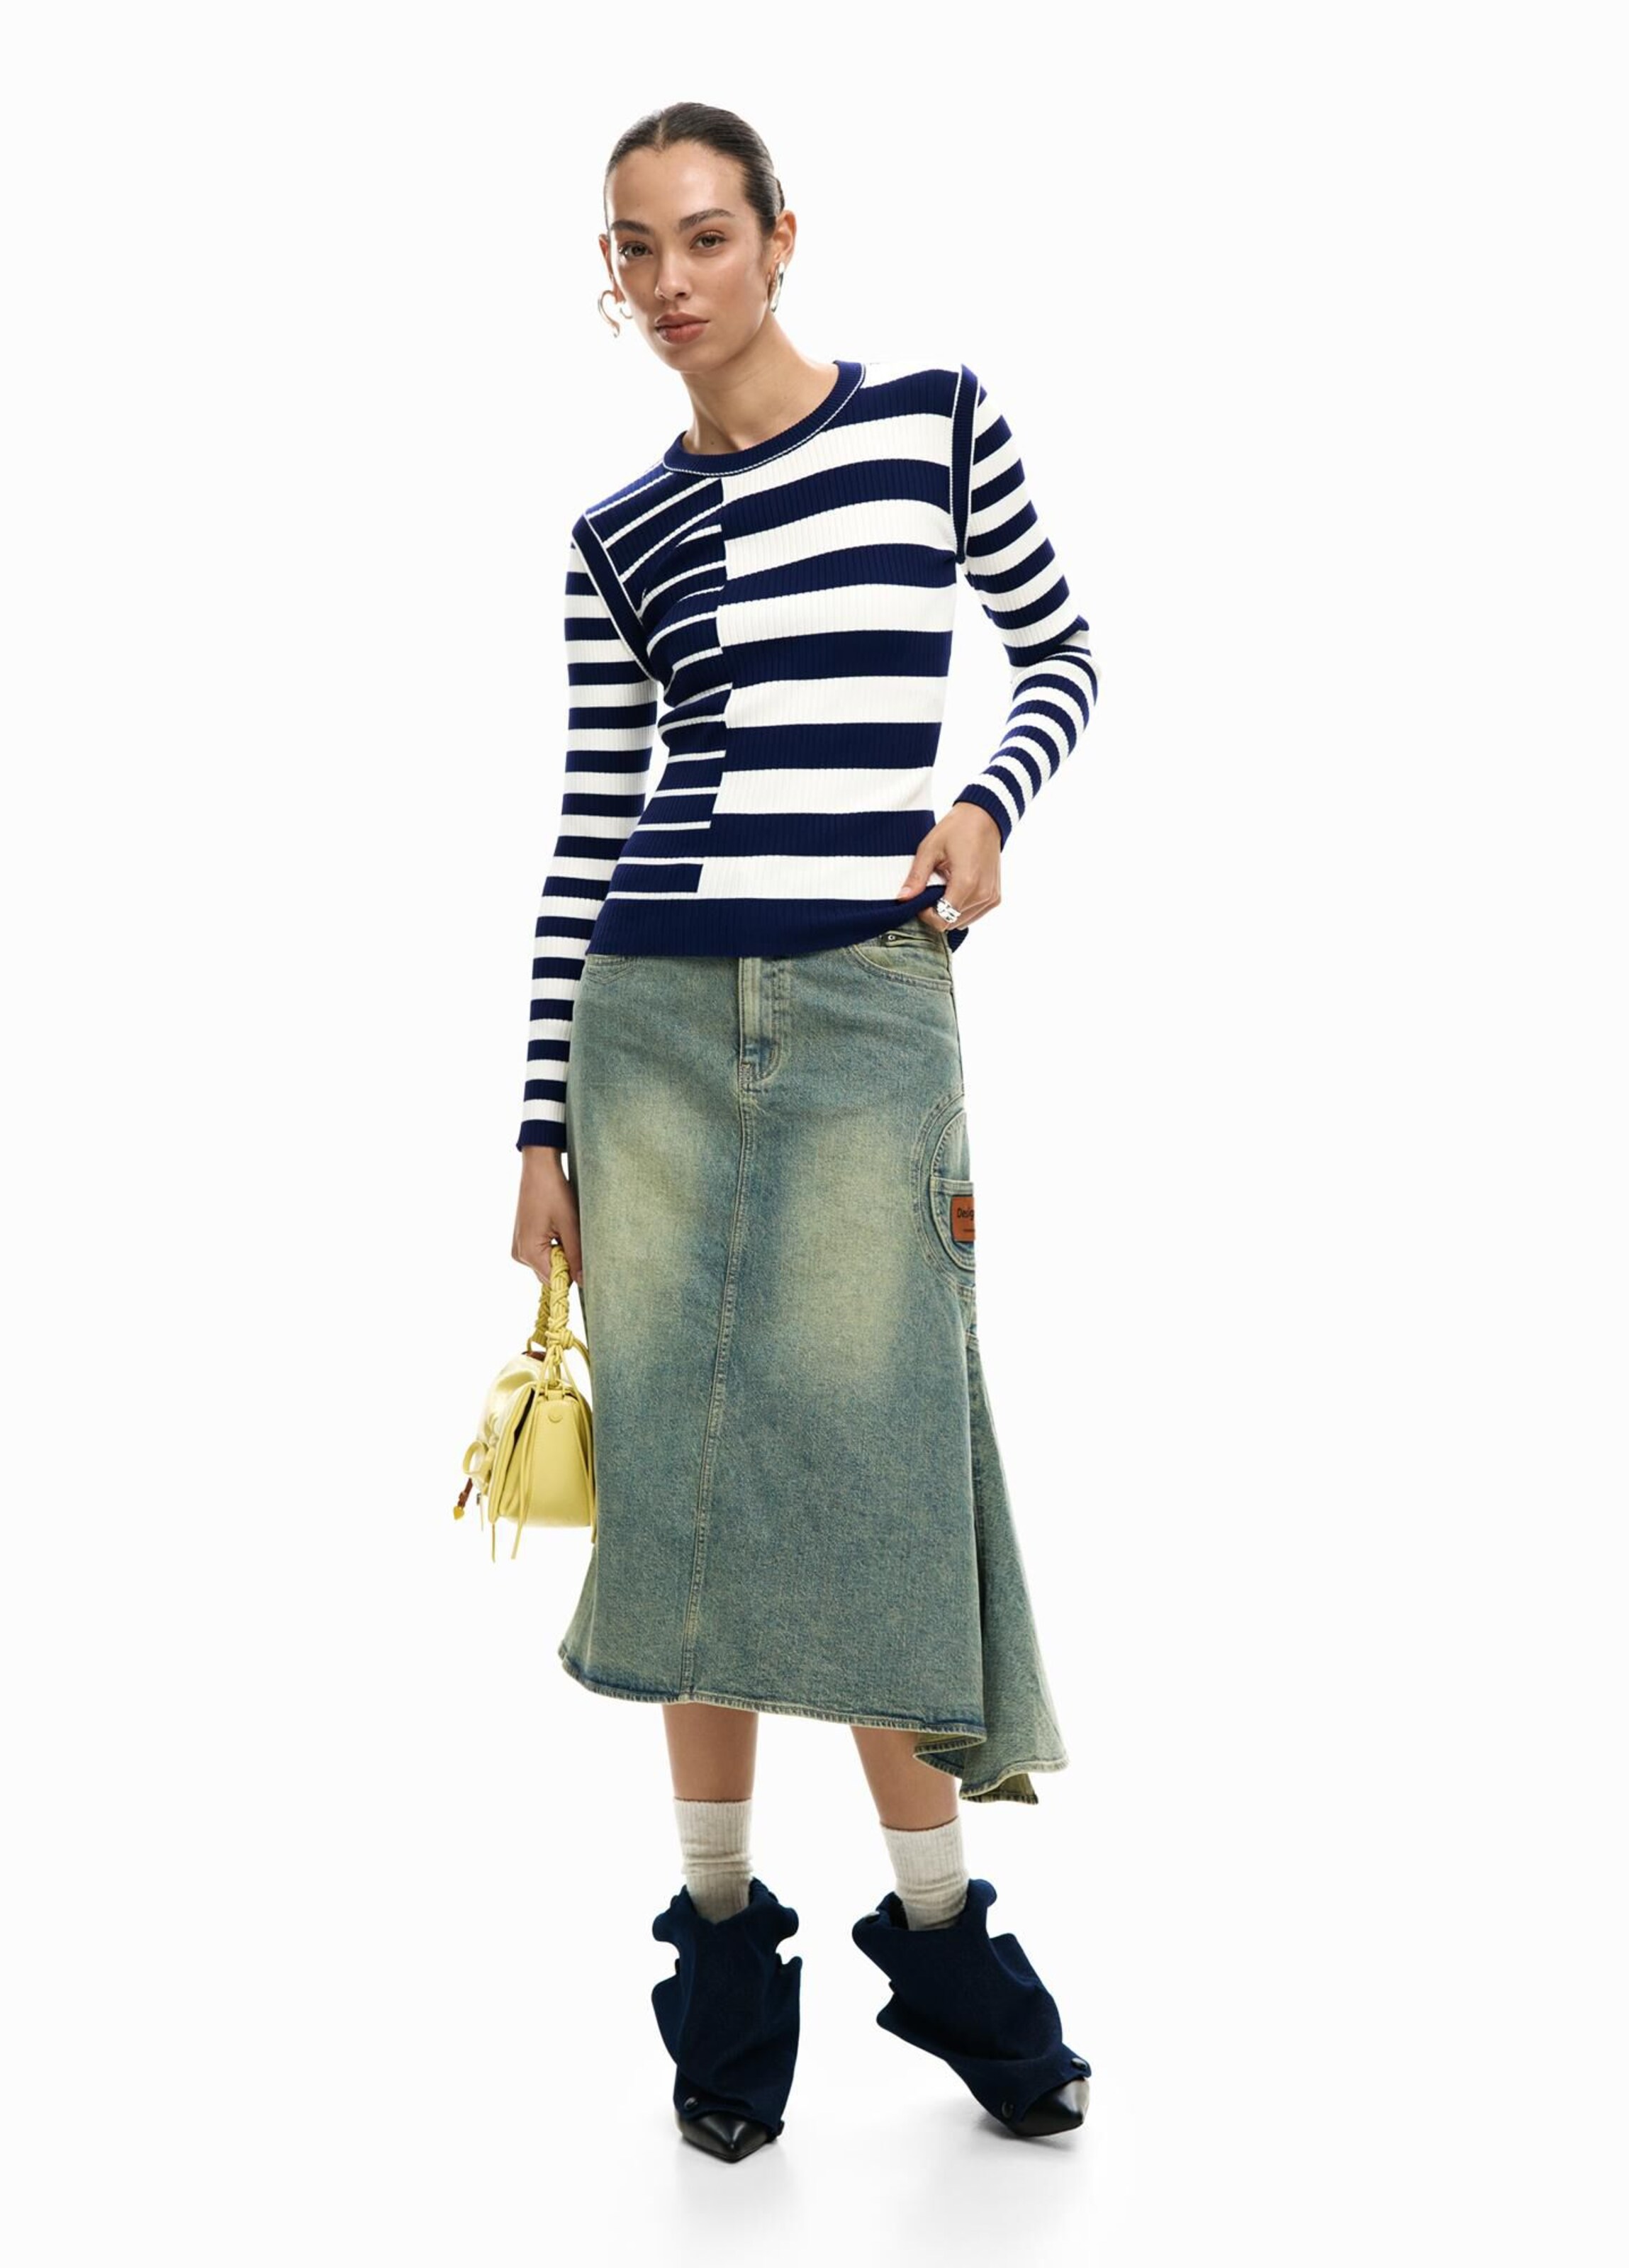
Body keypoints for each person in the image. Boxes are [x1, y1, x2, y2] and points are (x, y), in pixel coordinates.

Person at [509, 102, 1099, 2160]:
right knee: (687, 1490)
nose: (669, 281)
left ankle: (941, 1939)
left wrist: (990, 806)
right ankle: (720, 1940)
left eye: (703, 236)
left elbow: (1063, 648)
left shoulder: (934, 422)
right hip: (652, 1025)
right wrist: (540, 1128)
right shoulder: (618, 532)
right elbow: (592, 825)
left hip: (865, 1013)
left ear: (779, 235)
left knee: (867, 1477)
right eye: (633, 248)